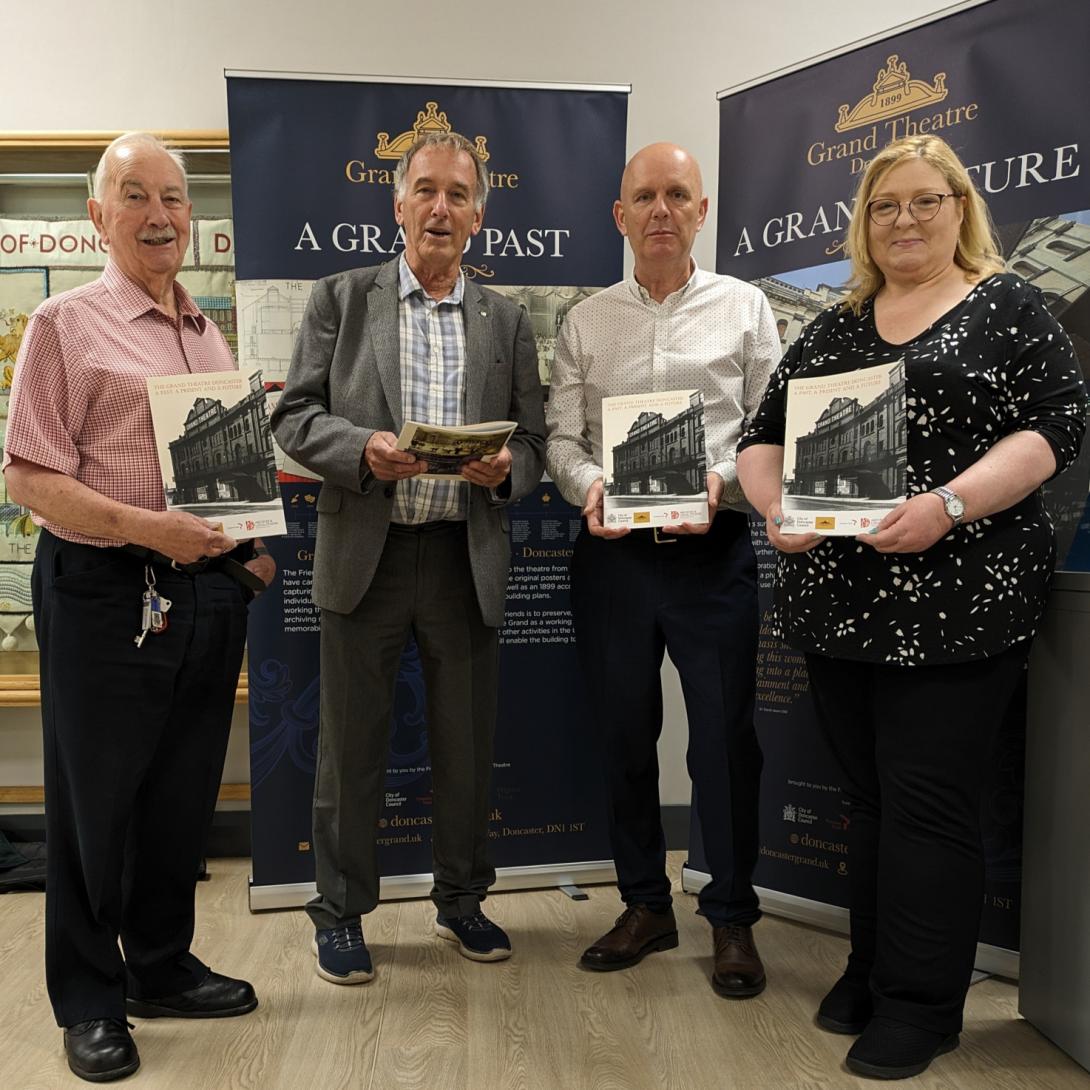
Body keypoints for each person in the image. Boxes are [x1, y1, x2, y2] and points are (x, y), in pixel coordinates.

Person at [737, 134, 1087, 1080]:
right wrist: (777, 510)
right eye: (885, 205)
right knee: (870, 802)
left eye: (925, 202)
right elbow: (759, 440)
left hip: (961, 600)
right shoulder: (837, 325)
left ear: (960, 208)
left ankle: (924, 1005)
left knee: (930, 807)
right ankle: (874, 965)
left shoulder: (1009, 307)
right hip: (839, 602)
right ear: (865, 221)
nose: (905, 220)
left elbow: (1056, 427)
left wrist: (949, 504)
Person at [3, 132, 276, 1083]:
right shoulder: (64, 327)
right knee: (95, 806)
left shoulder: (203, 328)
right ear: (98, 216)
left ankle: (159, 967)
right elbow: (30, 477)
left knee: (178, 796)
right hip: (102, 592)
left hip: (202, 591)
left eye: (173, 197)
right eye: (135, 196)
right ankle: (88, 998)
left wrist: (243, 542)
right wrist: (147, 530)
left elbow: (209, 469)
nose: (159, 214)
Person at [271, 132, 545, 983]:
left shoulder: (507, 319)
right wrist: (363, 451)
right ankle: (342, 914)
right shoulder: (341, 299)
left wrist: (508, 473)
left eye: (458, 194)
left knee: (467, 745)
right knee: (351, 748)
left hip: (464, 557)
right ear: (398, 205)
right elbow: (294, 418)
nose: (440, 208)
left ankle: (462, 901)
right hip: (369, 553)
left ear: (479, 216)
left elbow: (534, 441)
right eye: (425, 190)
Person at [546, 143, 779, 997]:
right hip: (613, 558)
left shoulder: (747, 309)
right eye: (643, 196)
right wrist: (590, 488)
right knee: (620, 737)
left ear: (702, 210)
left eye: (677, 194)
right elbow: (563, 437)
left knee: (724, 744)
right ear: (619, 215)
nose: (660, 210)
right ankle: (644, 905)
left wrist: (720, 483)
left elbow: (768, 430)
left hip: (711, 555)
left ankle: (732, 918)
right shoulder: (585, 320)